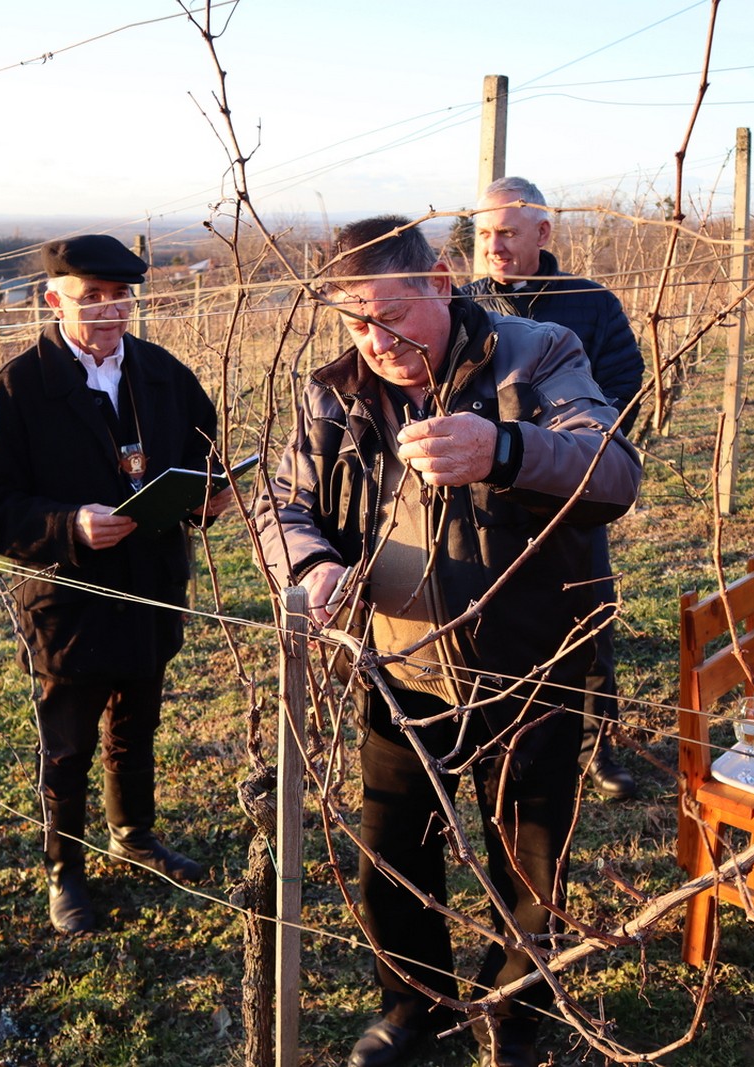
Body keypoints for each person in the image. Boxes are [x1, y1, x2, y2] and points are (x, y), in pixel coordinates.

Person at [255, 217, 642, 1067]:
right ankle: (414, 1005)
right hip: (399, 662)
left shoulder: (536, 352)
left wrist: (504, 449)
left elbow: (614, 471)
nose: (376, 342)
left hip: (532, 657)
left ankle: (514, 1003)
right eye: (355, 323)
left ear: (441, 280)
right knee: (395, 846)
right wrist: (312, 563)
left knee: (529, 850)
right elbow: (281, 503)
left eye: (390, 316)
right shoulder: (335, 390)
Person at [0, 235, 232, 935]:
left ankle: (133, 832)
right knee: (69, 744)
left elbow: (204, 452)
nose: (109, 312)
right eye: (91, 298)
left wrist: (210, 495)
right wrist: (68, 524)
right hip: (69, 603)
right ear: (55, 301)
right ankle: (65, 869)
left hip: (151, 588)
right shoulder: (19, 388)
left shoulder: (164, 374)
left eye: (119, 298)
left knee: (137, 725)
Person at [462, 175, 644, 801]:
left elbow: (622, 386)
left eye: (507, 232)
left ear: (542, 232)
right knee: (483, 617)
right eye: (483, 234)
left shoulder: (590, 303)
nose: (494, 246)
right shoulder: (460, 305)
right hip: (480, 501)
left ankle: (597, 746)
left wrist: (557, 452)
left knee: (588, 622)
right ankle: (488, 737)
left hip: (570, 497)